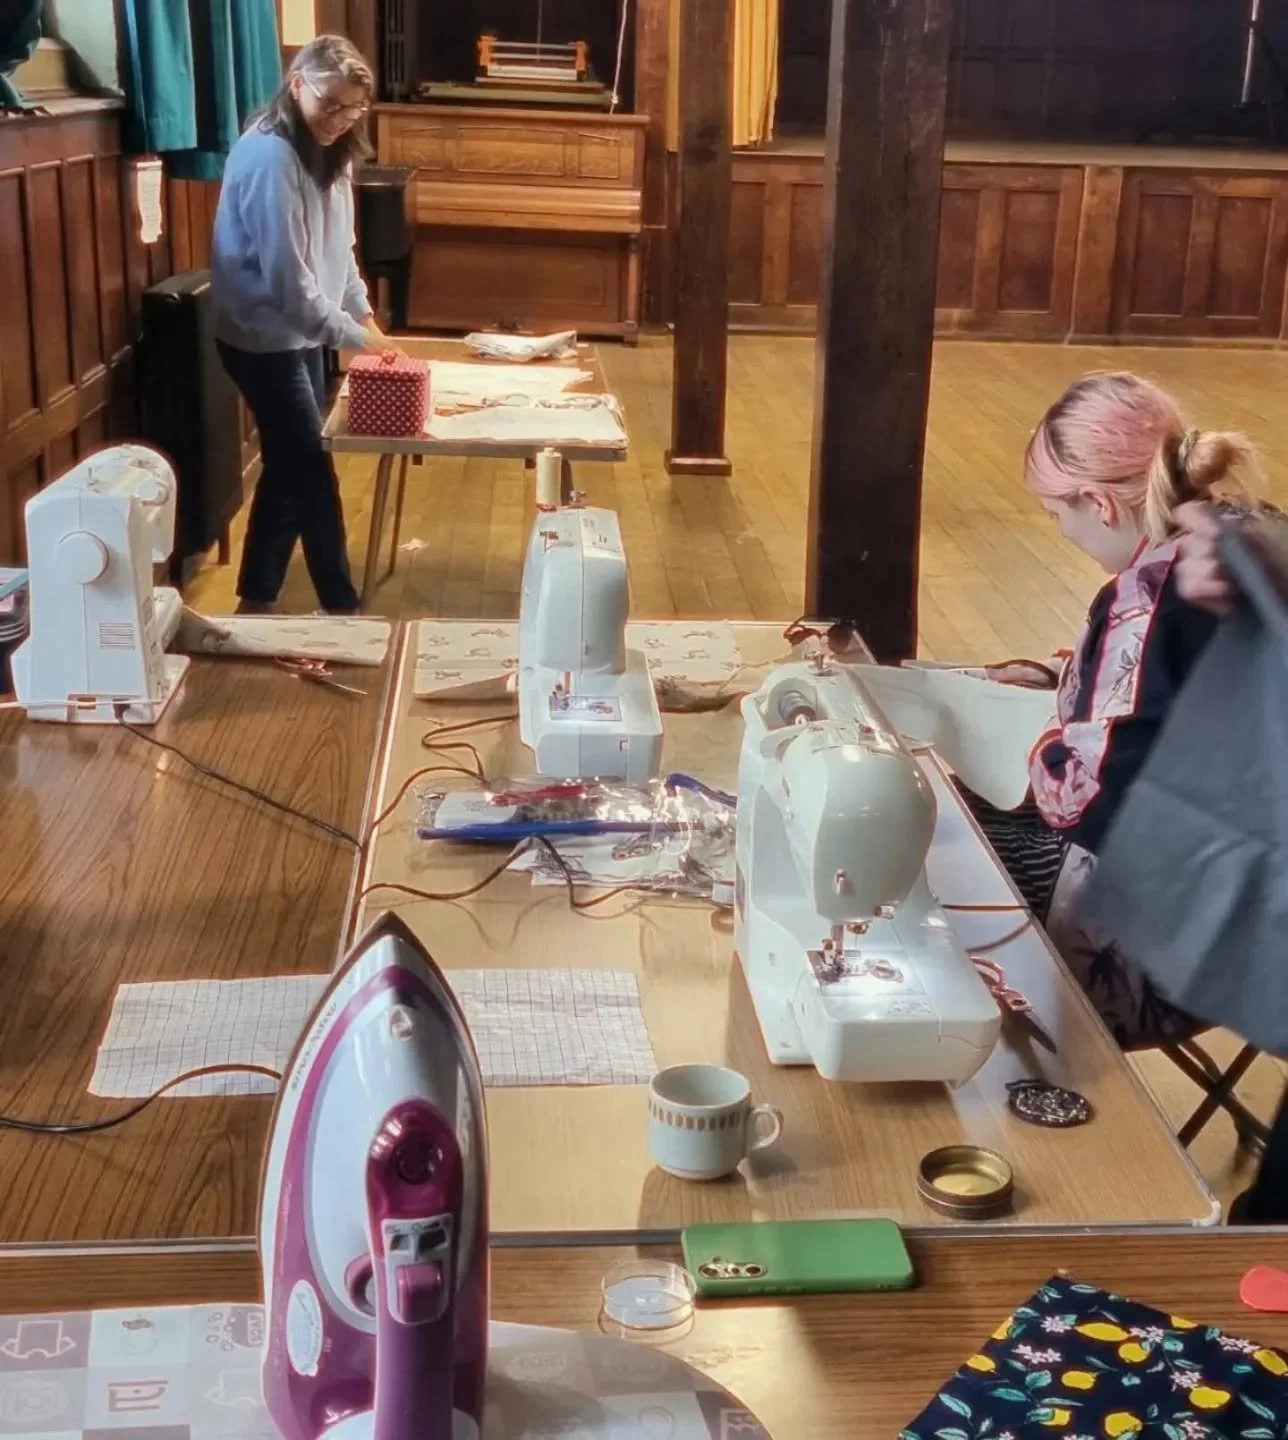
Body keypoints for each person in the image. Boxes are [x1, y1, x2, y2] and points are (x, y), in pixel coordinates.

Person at [964, 371, 1257, 1049]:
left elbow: (1077, 798)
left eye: (1056, 514)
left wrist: (1034, 734)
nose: (1060, 531)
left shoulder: (1150, 595)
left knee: (944, 834)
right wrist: (1069, 677)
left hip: (1172, 945)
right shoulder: (1247, 533)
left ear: (1097, 502)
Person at [211, 35, 395, 616]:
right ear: (297, 86)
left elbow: (342, 254)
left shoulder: (333, 149)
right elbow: (291, 291)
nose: (340, 119)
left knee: (290, 468)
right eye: (330, 104)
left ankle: (257, 598)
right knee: (312, 476)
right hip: (264, 339)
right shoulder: (269, 156)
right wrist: (360, 339)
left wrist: (365, 317)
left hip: (304, 334)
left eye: (353, 108)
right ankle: (344, 611)